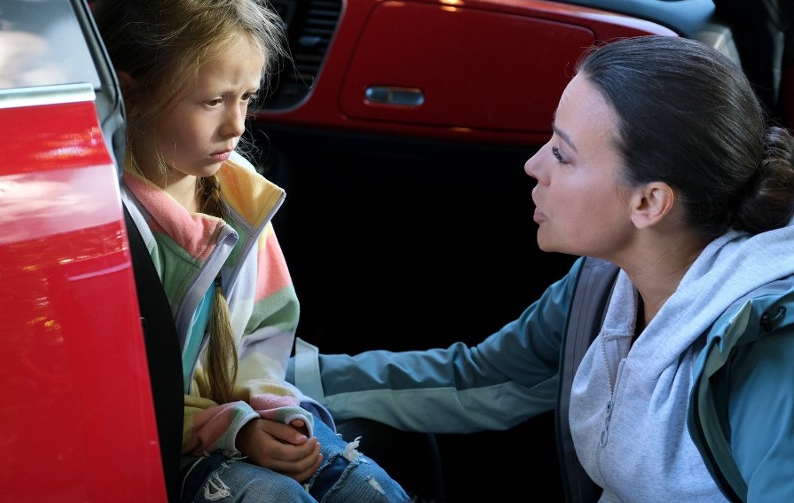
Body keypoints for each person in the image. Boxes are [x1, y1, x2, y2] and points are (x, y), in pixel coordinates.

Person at [288, 35, 794, 502]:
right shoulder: (603, 285)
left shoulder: (766, 355)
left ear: (649, 202)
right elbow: (480, 379)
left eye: (562, 154)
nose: (534, 165)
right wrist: (263, 378)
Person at [91, 0, 410, 503]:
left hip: (238, 425)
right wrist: (233, 430)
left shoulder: (241, 195)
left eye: (247, 98)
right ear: (131, 92)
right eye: (213, 100)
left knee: (367, 488)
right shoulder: (104, 220)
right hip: (170, 450)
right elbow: (110, 401)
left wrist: (278, 413)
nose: (237, 124)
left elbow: (265, 339)